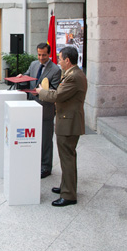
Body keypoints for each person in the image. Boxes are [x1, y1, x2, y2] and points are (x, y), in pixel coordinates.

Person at [36, 46, 87, 207]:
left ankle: (69, 195)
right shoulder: (72, 74)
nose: (58, 61)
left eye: (60, 59)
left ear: (67, 60)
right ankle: (66, 187)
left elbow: (57, 95)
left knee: (67, 159)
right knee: (67, 158)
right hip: (67, 121)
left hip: (69, 123)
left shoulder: (74, 77)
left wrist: (41, 91)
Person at [18, 42, 61, 179]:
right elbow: (28, 76)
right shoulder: (33, 64)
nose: (41, 57)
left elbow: (54, 91)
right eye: (39, 54)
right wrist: (20, 77)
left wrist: (41, 93)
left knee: (46, 140)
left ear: (49, 54)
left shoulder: (55, 70)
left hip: (45, 109)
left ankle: (46, 167)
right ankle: (35, 162)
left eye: (44, 55)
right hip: (31, 107)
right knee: (34, 138)